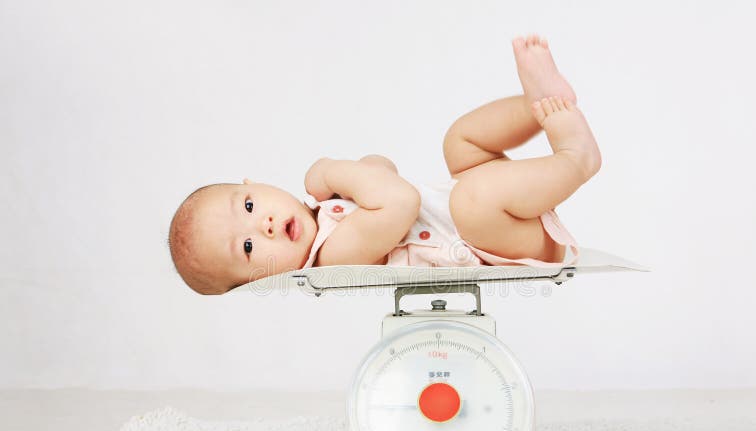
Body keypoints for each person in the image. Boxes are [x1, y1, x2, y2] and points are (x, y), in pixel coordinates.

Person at [168, 34, 601, 295]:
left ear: (254, 183)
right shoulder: (332, 258)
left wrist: (356, 172)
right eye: (247, 249)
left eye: (246, 206)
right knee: (471, 199)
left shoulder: (325, 214)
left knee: (460, 143)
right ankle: (575, 158)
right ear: (260, 280)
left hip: (491, 212)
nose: (260, 226)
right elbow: (399, 200)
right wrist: (330, 169)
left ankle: (543, 103)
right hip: (504, 244)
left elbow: (383, 169)